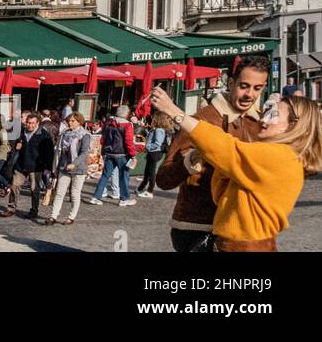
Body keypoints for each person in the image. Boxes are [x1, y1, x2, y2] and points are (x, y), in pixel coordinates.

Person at [151, 85, 321, 251]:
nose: (264, 119)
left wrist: (175, 112)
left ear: (292, 125)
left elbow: (226, 147)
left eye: (273, 114)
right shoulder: (286, 156)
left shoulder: (280, 155)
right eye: (267, 111)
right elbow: (223, 192)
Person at [156, 55, 267, 252]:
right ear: (231, 83)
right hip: (200, 227)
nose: (250, 94)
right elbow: (163, 180)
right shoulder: (202, 120)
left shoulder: (258, 124)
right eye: (244, 86)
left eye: (257, 88)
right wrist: (191, 161)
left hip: (242, 228)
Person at [1, 111, 52, 220]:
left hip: (36, 166)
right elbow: (12, 145)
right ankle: (11, 208)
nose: (30, 125)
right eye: (28, 123)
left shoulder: (43, 135)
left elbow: (49, 152)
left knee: (34, 189)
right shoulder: (21, 132)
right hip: (21, 165)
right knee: (14, 186)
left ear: (37, 123)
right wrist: (17, 146)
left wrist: (48, 167)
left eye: (32, 123)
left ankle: (34, 211)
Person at [88, 105, 138, 207]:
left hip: (109, 153)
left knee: (105, 176)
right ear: (127, 114)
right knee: (124, 176)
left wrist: (103, 151)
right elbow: (128, 141)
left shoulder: (108, 122)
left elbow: (103, 139)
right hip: (122, 154)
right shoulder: (128, 125)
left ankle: (96, 197)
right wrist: (133, 155)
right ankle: (124, 198)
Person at [46, 113, 90, 225]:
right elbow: (58, 151)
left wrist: (74, 163)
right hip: (64, 166)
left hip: (78, 168)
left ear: (79, 122)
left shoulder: (84, 135)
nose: (70, 123)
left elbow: (84, 152)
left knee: (75, 194)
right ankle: (53, 216)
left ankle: (71, 217)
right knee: (59, 193)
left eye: (73, 121)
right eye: (69, 121)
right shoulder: (64, 133)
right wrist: (55, 167)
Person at [136, 113, 172, 198]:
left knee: (151, 173)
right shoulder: (157, 129)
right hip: (153, 152)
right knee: (147, 172)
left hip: (154, 152)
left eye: (154, 118)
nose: (152, 119)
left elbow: (157, 143)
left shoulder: (159, 130)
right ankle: (140, 188)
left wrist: (147, 147)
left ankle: (150, 191)